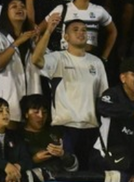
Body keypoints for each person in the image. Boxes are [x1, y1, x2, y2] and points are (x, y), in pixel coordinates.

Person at [31, 16, 110, 169]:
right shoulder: (57, 58)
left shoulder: (96, 63)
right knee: (67, 173)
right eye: (75, 30)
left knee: (89, 177)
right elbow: (36, 60)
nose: (81, 33)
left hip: (91, 128)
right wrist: (48, 31)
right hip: (65, 127)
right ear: (66, 37)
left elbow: (103, 97)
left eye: (84, 30)